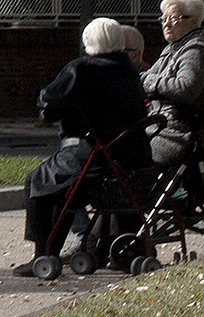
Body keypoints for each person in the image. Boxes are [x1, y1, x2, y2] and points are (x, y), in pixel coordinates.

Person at [16, 16, 148, 276]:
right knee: (60, 185)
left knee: (38, 181)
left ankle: (43, 252)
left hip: (95, 158)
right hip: (131, 156)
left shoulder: (82, 68)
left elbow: (49, 104)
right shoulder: (129, 68)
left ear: (88, 42)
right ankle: (53, 250)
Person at [144, 0, 204, 249]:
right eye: (163, 18)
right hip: (167, 130)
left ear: (193, 21)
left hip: (186, 135)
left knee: (126, 156)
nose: (166, 23)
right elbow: (145, 80)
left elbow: (185, 88)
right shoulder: (172, 50)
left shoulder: (196, 50)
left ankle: (128, 226)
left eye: (173, 18)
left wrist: (151, 83)